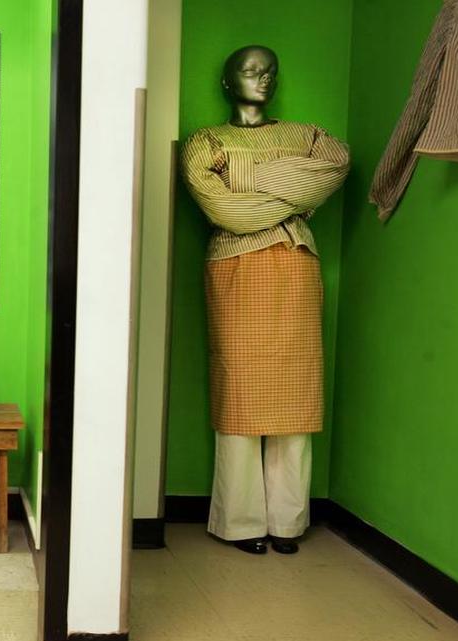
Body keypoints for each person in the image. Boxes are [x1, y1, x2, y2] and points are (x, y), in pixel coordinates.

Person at [180, 46, 349, 555]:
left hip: (296, 264)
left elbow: (335, 167)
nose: (263, 78)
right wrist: (292, 191)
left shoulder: (309, 136)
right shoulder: (206, 140)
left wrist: (245, 178)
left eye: (271, 70)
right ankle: (240, 522)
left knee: (295, 395)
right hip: (234, 266)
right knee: (240, 390)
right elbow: (223, 209)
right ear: (227, 81)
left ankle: (287, 522)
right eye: (250, 71)